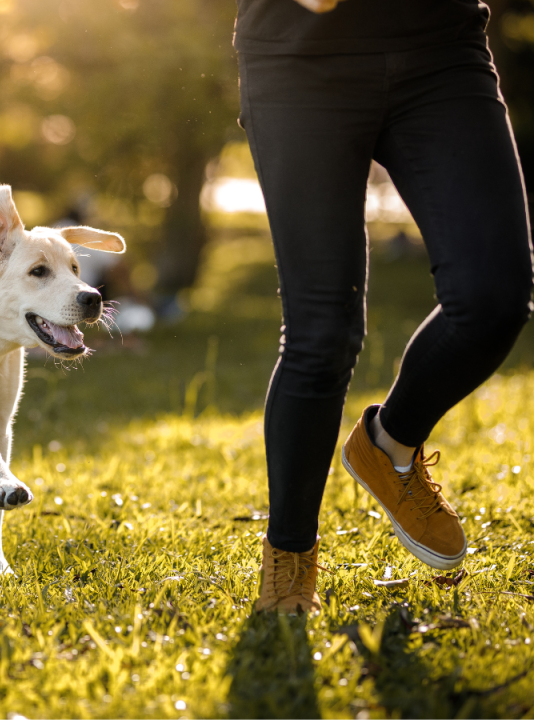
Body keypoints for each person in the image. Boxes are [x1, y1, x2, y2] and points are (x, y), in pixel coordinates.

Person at [234, 0, 534, 613]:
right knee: (323, 332)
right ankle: (289, 554)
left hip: (441, 49)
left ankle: (389, 445)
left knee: (493, 296)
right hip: (300, 62)